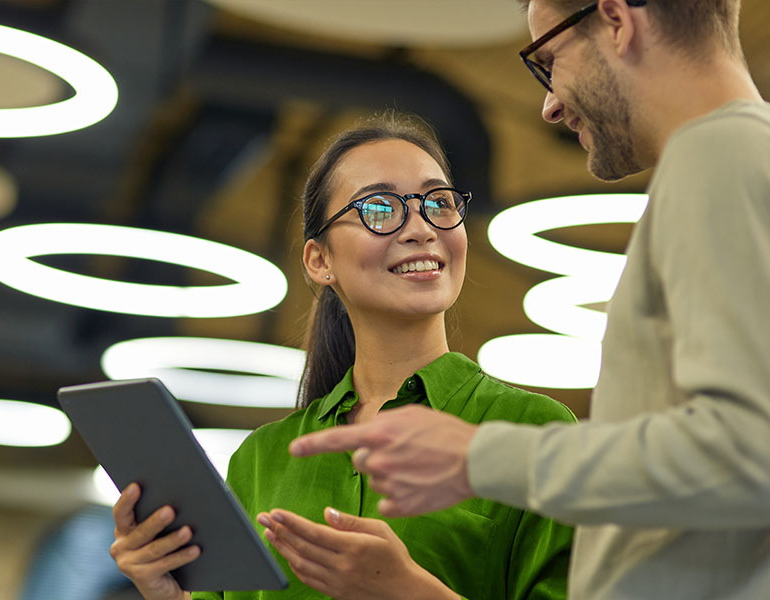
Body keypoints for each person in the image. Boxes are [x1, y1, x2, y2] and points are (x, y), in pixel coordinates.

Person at [289, 1, 770, 599]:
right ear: (319, 259)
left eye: (549, 60)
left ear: (617, 20)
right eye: (380, 210)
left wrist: (480, 458)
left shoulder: (718, 156)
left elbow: (751, 451)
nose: (549, 104)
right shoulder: (735, 159)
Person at [109, 114, 577, 600]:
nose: (420, 228)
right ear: (320, 260)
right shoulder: (260, 458)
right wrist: (166, 592)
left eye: (438, 203)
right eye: (379, 208)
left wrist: (408, 592)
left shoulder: (533, 430)